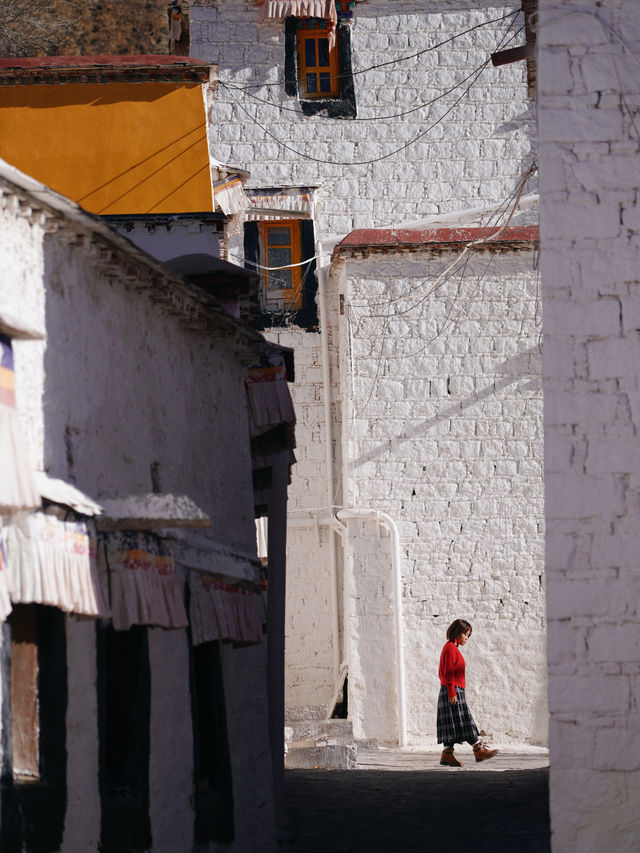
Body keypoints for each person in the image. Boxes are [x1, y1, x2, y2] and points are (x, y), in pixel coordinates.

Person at [437, 618, 498, 767]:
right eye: (466, 634)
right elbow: (448, 673)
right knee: (464, 720)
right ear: (457, 633)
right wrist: (452, 691)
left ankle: (447, 754)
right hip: (452, 691)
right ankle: (478, 749)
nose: (467, 638)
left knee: (453, 723)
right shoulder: (450, 649)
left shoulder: (452, 648)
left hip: (453, 690)